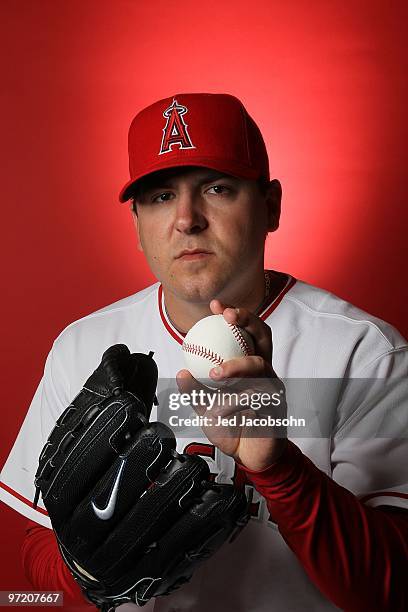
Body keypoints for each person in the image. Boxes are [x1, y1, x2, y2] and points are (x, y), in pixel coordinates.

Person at [1, 92, 407, 611]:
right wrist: (84, 571)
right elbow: (30, 555)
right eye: (161, 196)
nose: (187, 219)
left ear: (272, 206)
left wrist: (279, 468)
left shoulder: (363, 353)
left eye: (216, 188)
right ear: (137, 225)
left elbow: (394, 591)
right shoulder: (83, 348)